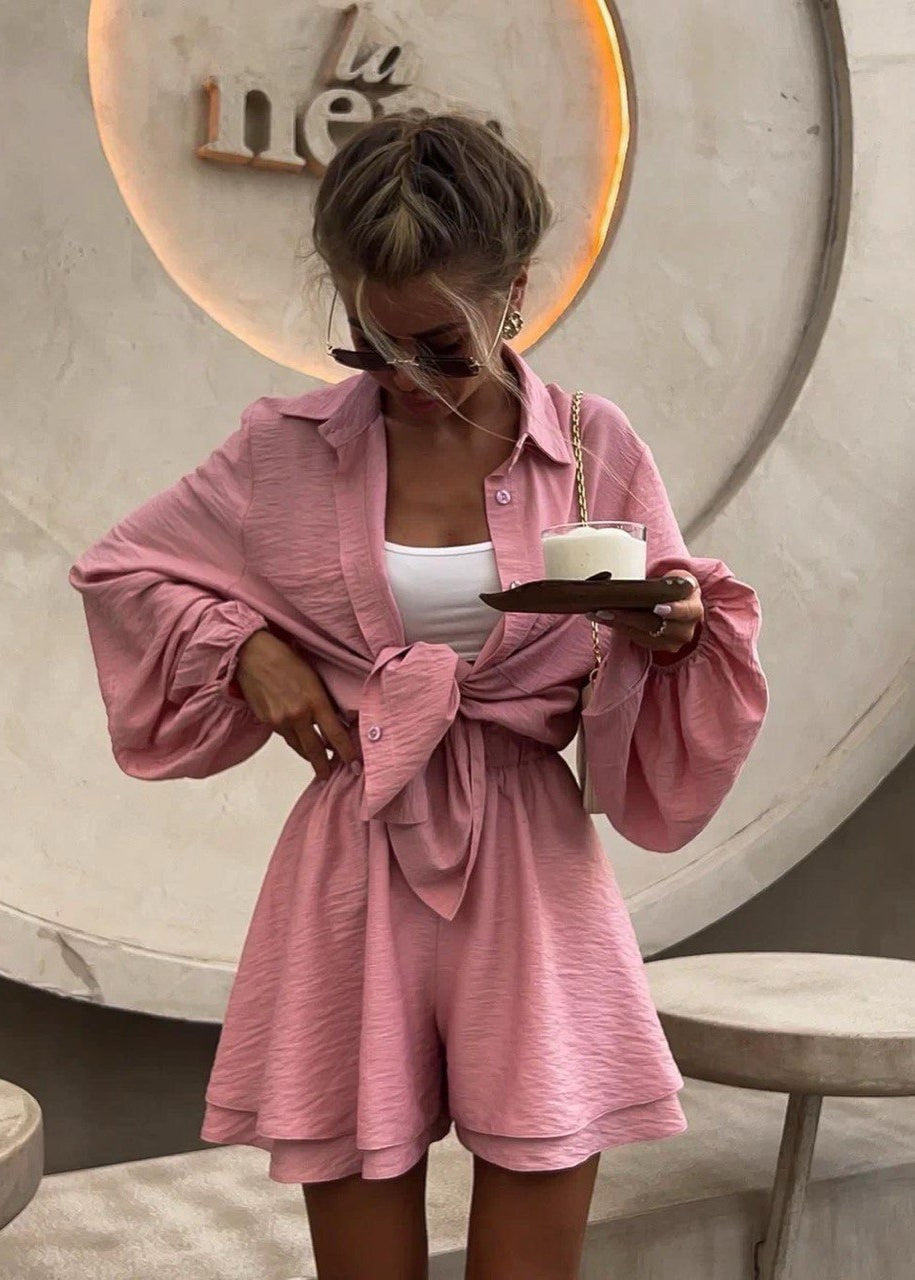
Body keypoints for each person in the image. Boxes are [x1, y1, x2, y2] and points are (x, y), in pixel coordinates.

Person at [68, 111, 769, 1279]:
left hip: (532, 870)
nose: (404, 378)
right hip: (354, 858)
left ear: (514, 296)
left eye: (440, 344)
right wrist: (245, 646)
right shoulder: (283, 450)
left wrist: (676, 631)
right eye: (371, 343)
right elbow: (120, 572)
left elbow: (672, 637)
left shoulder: (594, 445)